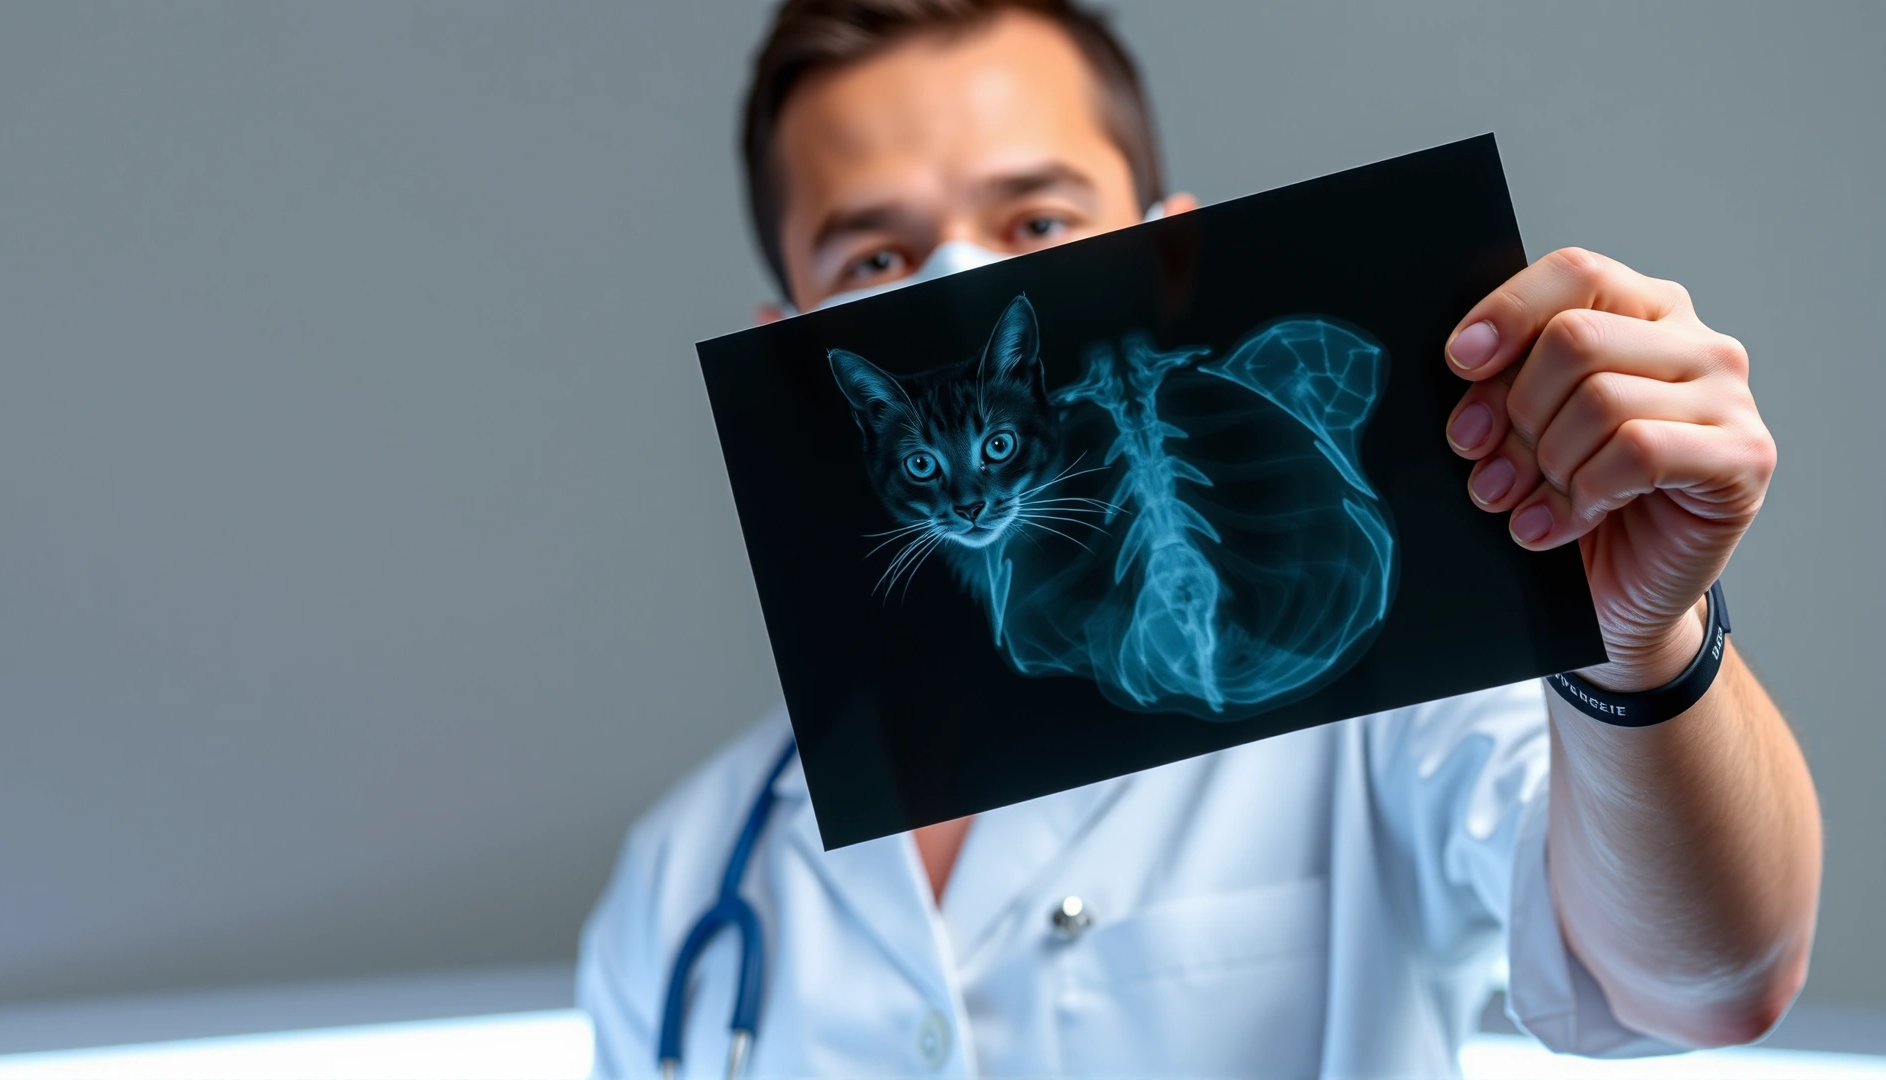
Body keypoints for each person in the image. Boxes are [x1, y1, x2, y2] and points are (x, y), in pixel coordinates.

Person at [579, 1, 1821, 1075]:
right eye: (876, 254)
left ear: (1175, 253)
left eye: (1037, 224)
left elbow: (1703, 990)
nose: (961, 283)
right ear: (794, 355)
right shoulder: (689, 874)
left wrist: (1644, 647)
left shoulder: (1385, 702)